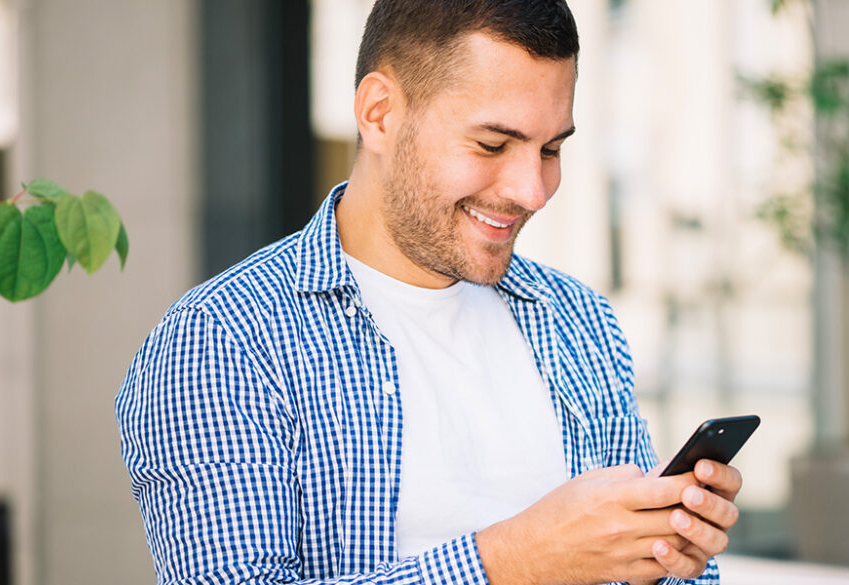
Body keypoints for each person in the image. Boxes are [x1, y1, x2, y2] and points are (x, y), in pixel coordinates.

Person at [116, 1, 743, 584]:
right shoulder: (222, 341)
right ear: (380, 114)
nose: (532, 190)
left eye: (550, 148)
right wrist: (514, 559)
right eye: (492, 144)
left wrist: (665, 558)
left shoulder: (575, 319)